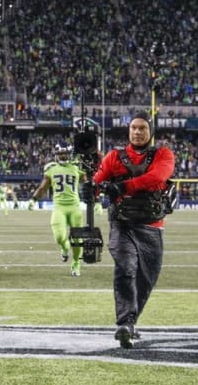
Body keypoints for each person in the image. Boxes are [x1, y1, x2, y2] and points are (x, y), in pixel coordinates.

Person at [92, 112, 174, 349]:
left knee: (146, 280)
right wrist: (91, 189)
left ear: (151, 131)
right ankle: (125, 323)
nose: (137, 132)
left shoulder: (163, 154)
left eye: (142, 128)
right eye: (134, 128)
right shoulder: (113, 157)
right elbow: (98, 180)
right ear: (128, 131)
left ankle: (130, 322)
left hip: (152, 226)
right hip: (123, 225)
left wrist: (123, 186)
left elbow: (157, 177)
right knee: (125, 269)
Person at [28, 144, 86, 277]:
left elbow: (88, 183)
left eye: (65, 154)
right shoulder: (51, 169)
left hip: (75, 207)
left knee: (77, 240)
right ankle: (65, 248)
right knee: (59, 237)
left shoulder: (77, 167)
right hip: (59, 207)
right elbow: (43, 188)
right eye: (60, 154)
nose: (63, 156)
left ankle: (76, 263)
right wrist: (33, 199)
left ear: (70, 154)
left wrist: (96, 200)